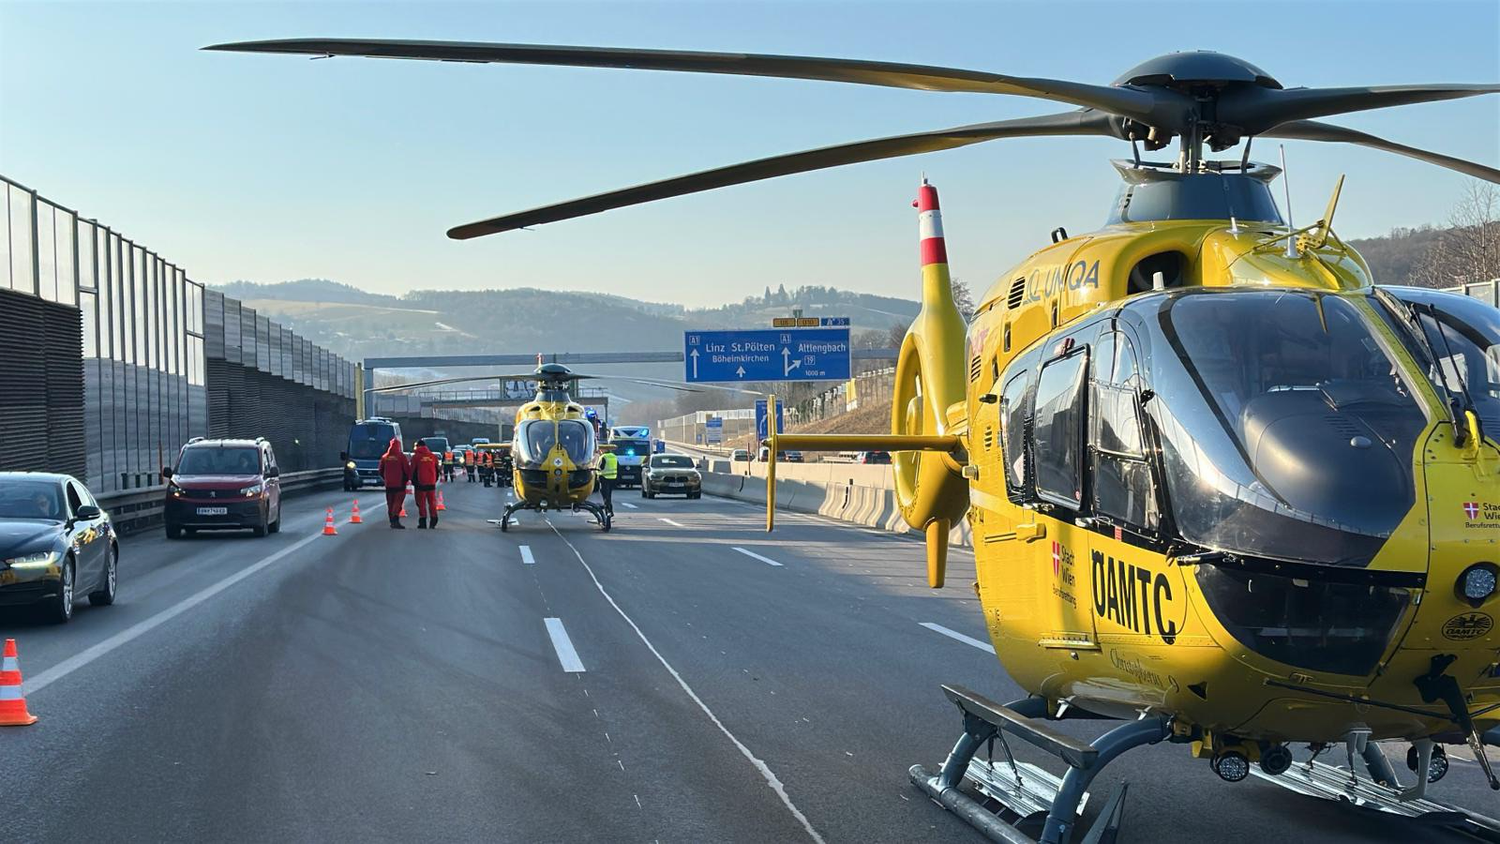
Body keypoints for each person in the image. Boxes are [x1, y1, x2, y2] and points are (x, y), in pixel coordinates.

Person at [378, 438, 411, 529]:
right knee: (398, 502)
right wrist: (406, 479)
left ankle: (391, 519)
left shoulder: (385, 457)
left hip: (389, 484)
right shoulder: (401, 457)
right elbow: (407, 470)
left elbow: (380, 470)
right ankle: (395, 519)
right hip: (399, 484)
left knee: (390, 503)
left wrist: (386, 478)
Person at [411, 439, 441, 529]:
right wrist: (434, 480)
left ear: (417, 446)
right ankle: (434, 519)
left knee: (421, 503)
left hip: (420, 484)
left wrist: (413, 481)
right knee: (432, 502)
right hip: (431, 483)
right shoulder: (433, 456)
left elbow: (412, 471)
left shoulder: (416, 457)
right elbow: (437, 470)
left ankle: (423, 521)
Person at [597, 447, 618, 516]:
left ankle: (609, 510)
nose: (600, 451)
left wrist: (596, 469)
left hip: (604, 478)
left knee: (605, 495)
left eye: (601, 449)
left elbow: (601, 467)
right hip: (612, 478)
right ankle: (608, 509)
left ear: (605, 450)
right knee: (608, 495)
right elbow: (618, 467)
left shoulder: (603, 457)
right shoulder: (614, 456)